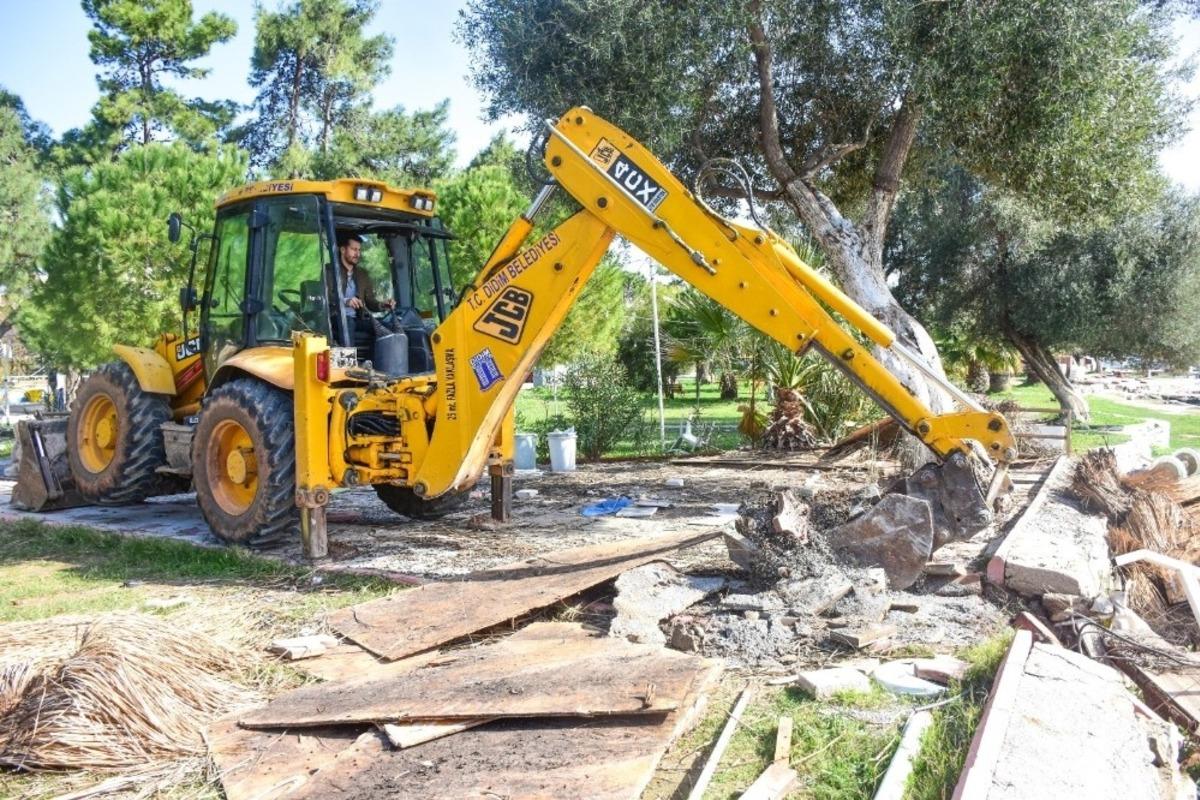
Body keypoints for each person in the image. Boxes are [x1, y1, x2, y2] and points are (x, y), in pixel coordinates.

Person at [336, 233, 395, 314]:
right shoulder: (329, 271)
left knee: (389, 325)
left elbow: (370, 301)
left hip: (359, 320)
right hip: (337, 321)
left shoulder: (362, 274)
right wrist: (346, 301)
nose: (358, 254)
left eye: (359, 250)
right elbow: (325, 299)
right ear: (343, 250)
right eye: (354, 249)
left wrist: (383, 305)